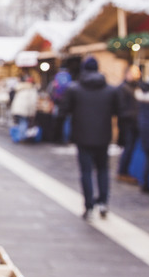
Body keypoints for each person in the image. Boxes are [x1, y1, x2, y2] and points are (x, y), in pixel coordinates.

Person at [61, 56, 119, 220]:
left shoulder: (75, 89)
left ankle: (88, 206)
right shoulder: (110, 90)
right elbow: (117, 111)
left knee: (86, 171)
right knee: (102, 170)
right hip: (103, 136)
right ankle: (103, 202)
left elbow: (65, 109)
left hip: (82, 136)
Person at [116, 65, 141, 183]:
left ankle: (126, 171)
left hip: (134, 122)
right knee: (128, 147)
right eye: (135, 72)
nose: (138, 75)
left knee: (130, 148)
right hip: (128, 123)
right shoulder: (123, 88)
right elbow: (120, 108)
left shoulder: (136, 87)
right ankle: (123, 172)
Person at [47, 68, 72, 144]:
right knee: (67, 121)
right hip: (68, 104)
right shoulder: (69, 79)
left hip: (57, 103)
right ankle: (66, 139)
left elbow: (49, 91)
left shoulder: (55, 79)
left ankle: (56, 138)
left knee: (56, 120)